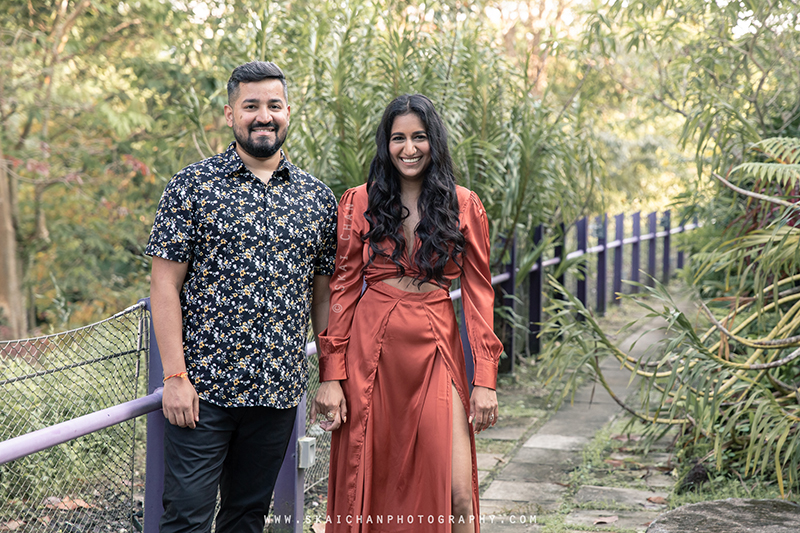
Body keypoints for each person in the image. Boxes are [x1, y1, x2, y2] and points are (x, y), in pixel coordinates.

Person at [145, 61, 337, 533]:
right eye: (251, 106)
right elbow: (163, 285)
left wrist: (330, 377)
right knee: (185, 519)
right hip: (202, 395)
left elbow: (324, 297)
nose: (263, 116)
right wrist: (174, 376)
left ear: (288, 112)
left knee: (247, 520)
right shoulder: (192, 187)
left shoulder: (317, 198)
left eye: (273, 105)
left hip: (277, 396)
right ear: (230, 115)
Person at [311, 94, 503, 532]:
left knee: (456, 496)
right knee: (367, 485)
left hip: (437, 348)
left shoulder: (463, 204)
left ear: (434, 141)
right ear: (386, 144)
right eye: (398, 138)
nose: (409, 148)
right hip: (370, 352)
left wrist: (485, 380)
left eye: (419, 137)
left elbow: (478, 293)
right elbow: (341, 288)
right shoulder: (358, 202)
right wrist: (331, 373)